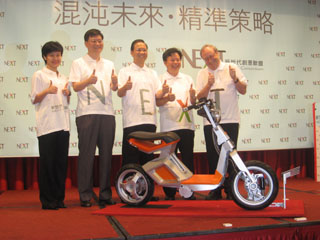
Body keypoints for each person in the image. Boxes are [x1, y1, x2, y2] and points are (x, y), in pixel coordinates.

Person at [69, 29, 118, 207]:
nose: (97, 44)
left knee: (106, 156)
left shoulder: (109, 63)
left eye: (100, 41)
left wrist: (115, 84)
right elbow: (75, 86)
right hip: (86, 114)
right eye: (93, 41)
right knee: (86, 156)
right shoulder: (78, 63)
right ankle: (85, 195)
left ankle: (105, 194)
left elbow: (113, 88)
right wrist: (88, 81)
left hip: (107, 114)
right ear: (86, 43)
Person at [196, 44, 247, 200]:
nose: (210, 60)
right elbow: (200, 97)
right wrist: (208, 84)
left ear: (218, 53)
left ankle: (231, 189)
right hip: (211, 122)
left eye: (212, 56)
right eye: (206, 58)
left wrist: (235, 79)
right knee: (213, 156)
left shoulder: (231, 68)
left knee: (231, 154)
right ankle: (216, 189)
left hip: (230, 119)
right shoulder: (202, 73)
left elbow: (243, 90)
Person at [117, 39, 167, 201]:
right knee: (131, 158)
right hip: (132, 122)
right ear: (132, 52)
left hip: (149, 121)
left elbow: (157, 95)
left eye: (144, 50)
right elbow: (120, 92)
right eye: (138, 50)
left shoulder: (152, 73)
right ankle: (129, 192)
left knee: (147, 159)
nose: (142, 52)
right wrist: (125, 87)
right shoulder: (124, 71)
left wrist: (164, 91)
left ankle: (147, 191)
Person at [31, 41, 71, 210]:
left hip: (63, 125)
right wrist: (46, 91)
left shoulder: (64, 78)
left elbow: (66, 102)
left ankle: (59, 198)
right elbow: (34, 98)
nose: (56, 58)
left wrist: (68, 94)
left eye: (58, 55)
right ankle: (47, 200)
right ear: (45, 57)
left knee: (60, 164)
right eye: (52, 55)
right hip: (47, 126)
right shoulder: (39, 75)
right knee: (47, 164)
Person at [157, 48, 197, 200]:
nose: (175, 62)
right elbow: (157, 102)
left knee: (187, 159)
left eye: (178, 59)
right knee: (168, 159)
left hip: (187, 126)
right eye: (172, 60)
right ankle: (169, 193)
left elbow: (193, 102)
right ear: (165, 62)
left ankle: (189, 191)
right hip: (168, 126)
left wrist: (193, 97)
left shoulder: (187, 78)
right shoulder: (160, 79)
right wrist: (166, 97)